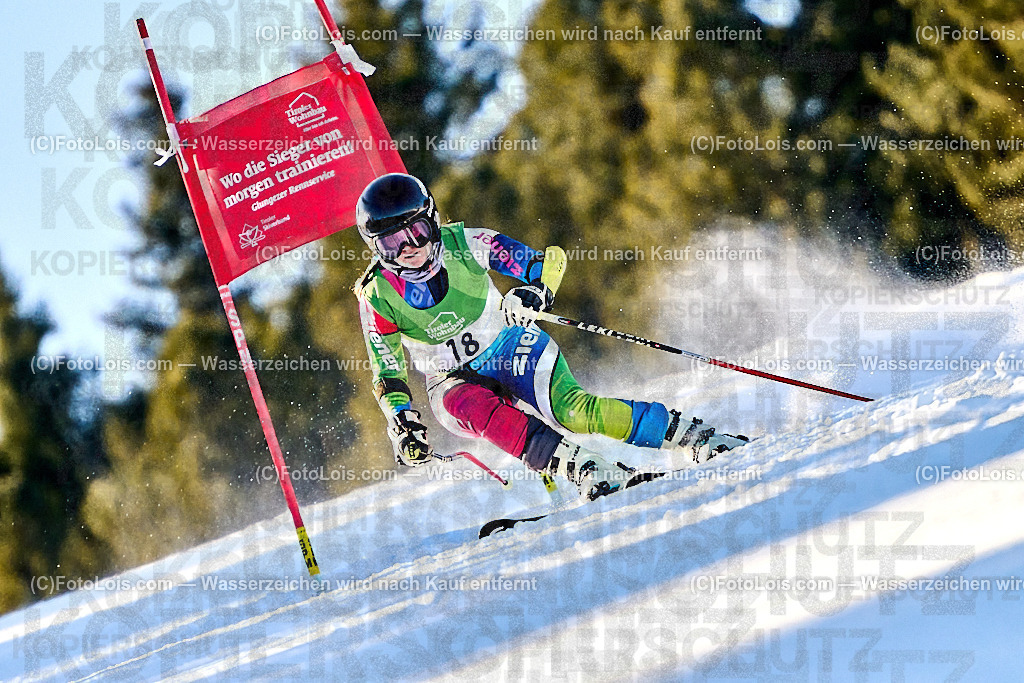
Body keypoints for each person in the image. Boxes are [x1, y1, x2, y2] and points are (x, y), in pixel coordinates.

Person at [354, 173, 748, 500]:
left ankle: (692, 436)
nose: (411, 249)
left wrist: (534, 291)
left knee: (574, 412)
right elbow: (387, 371)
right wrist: (400, 419)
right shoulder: (376, 295)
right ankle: (586, 468)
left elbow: (548, 262)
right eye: (394, 242)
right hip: (450, 381)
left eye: (418, 232)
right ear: (376, 247)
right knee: (469, 407)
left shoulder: (467, 244)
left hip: (507, 345)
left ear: (433, 221)